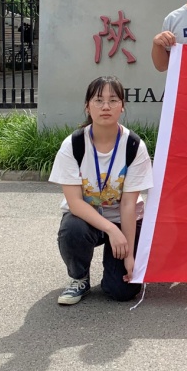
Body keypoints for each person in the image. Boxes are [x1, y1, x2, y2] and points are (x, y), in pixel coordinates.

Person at [48, 76, 154, 306]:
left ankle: (117, 270)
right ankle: (79, 278)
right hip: (87, 220)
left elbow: (128, 204)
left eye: (113, 100)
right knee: (72, 229)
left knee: (121, 291)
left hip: (124, 220)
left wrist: (129, 254)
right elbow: (75, 203)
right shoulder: (73, 145)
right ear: (87, 106)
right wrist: (110, 229)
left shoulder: (133, 146)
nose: (106, 106)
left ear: (122, 106)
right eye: (98, 100)